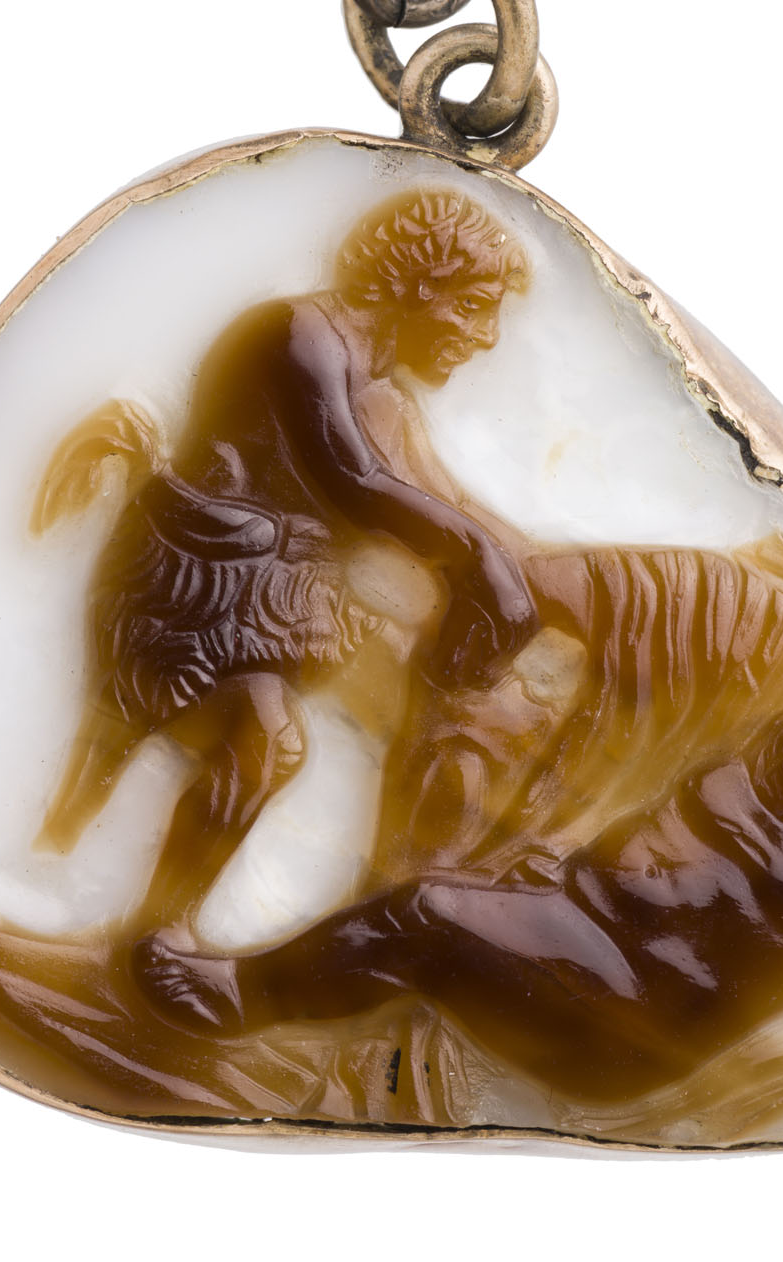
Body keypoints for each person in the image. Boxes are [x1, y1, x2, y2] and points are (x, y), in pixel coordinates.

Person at [133, 617, 783, 1102]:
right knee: (439, 906)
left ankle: (234, 1001)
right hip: (574, 928)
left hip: (630, 1020)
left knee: (421, 918)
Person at [28, 189, 539, 930]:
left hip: (272, 592)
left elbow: (430, 491)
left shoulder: (382, 391)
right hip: (191, 576)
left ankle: (148, 932)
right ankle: (110, 910)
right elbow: (352, 477)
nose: (486, 338)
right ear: (417, 285)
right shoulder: (302, 333)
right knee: (167, 747)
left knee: (259, 748)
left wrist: (523, 569)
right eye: (474, 308)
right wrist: (476, 556)